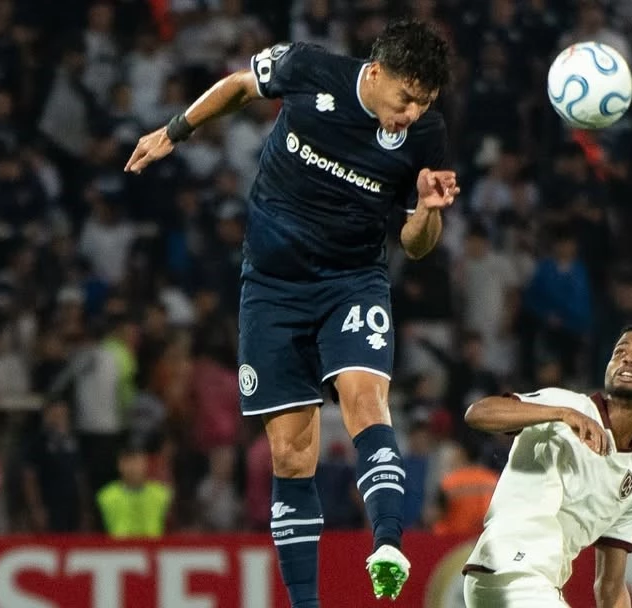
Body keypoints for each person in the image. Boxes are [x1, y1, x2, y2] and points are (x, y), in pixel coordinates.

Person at [124, 20, 459, 604]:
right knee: (291, 450)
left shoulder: (426, 135)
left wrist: (428, 210)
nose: (410, 113)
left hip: (351, 283)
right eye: (405, 98)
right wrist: (174, 131)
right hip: (273, 289)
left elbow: (416, 243)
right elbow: (236, 86)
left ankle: (386, 541)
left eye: (423, 103)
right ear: (375, 73)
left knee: (364, 399)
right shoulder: (308, 69)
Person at [462, 324, 632, 607]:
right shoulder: (566, 404)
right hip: (511, 571)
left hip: (538, 585)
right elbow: (478, 413)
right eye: (620, 351)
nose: (629, 358)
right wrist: (561, 415)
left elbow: (610, 588)